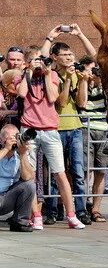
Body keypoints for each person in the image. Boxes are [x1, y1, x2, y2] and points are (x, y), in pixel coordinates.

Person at [17, 48, 83, 229]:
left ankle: (71, 215)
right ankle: (36, 215)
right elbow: (22, 94)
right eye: (35, 60)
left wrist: (46, 73)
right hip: (29, 129)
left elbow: (53, 97)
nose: (40, 63)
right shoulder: (24, 75)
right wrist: (29, 72)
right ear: (28, 62)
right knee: (30, 176)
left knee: (60, 173)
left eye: (42, 60)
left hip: (50, 130)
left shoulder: (52, 75)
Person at [43, 39, 91, 225]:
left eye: (71, 54)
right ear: (55, 57)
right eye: (65, 55)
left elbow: (81, 103)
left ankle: (81, 210)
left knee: (78, 172)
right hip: (57, 129)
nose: (70, 58)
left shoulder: (77, 74)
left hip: (76, 128)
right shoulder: (52, 75)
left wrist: (84, 81)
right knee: (57, 172)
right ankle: (53, 211)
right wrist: (69, 79)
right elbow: (61, 103)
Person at [81, 56, 108, 223]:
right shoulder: (81, 83)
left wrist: (102, 82)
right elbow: (81, 103)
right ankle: (84, 204)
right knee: (86, 170)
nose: (94, 73)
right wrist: (85, 81)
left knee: (101, 171)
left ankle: (96, 209)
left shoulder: (105, 85)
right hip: (86, 128)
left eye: (96, 70)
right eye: (90, 70)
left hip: (104, 129)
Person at [0, 124, 36, 232]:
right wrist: (6, 149)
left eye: (15, 138)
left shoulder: (20, 154)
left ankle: (19, 222)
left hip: (7, 199)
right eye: (10, 138)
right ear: (1, 140)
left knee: (29, 185)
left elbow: (28, 177)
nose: (14, 141)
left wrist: (23, 154)